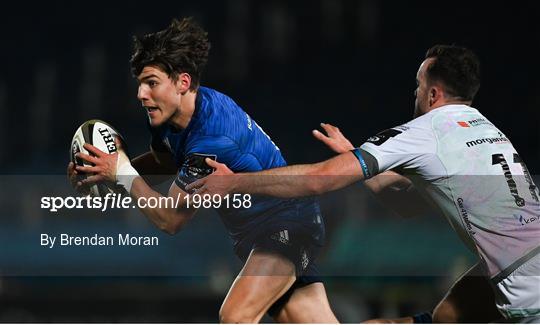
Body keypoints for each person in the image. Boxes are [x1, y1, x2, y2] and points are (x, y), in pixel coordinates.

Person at [188, 45, 540, 323]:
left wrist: (235, 184)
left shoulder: (427, 131)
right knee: (446, 316)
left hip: (527, 292)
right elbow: (409, 204)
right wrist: (358, 157)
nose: (414, 94)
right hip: (529, 264)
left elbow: (318, 180)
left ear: (433, 95)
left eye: (418, 86)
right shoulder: (488, 131)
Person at [67, 17, 338, 323]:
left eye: (152, 83)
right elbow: (165, 161)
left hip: (288, 226)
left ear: (182, 83)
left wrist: (123, 171)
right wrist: (106, 171)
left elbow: (171, 219)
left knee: (235, 317)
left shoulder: (212, 138)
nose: (141, 94)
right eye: (141, 83)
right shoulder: (170, 114)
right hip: (261, 232)